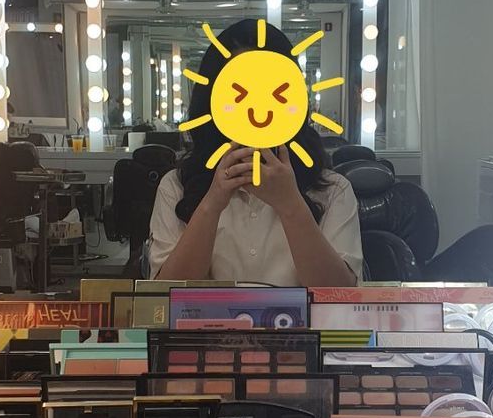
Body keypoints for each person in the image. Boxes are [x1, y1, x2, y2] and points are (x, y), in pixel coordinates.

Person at [148, 19, 363, 286]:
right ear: (212, 101)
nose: (258, 111)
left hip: (303, 318)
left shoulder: (333, 190)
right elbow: (164, 293)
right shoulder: (176, 187)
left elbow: (340, 295)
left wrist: (290, 205)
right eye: (239, 94)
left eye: (276, 94)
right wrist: (212, 204)